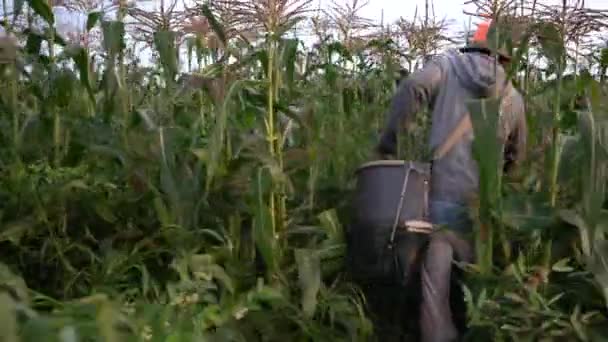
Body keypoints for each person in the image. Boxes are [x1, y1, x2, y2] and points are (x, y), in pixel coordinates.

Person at [375, 19, 528, 342]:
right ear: (505, 56)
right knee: (476, 285)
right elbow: (518, 160)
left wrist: (392, 139)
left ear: (474, 44)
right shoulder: (513, 97)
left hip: (441, 195)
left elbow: (413, 86)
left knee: (435, 288)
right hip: (484, 207)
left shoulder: (448, 66)